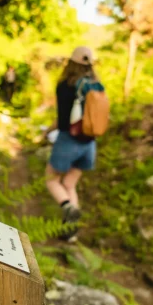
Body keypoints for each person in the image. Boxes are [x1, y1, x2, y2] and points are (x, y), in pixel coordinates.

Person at [44, 46, 104, 240]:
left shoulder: (65, 86)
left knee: (52, 180)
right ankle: (71, 232)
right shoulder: (96, 84)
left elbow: (62, 119)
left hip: (69, 140)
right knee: (69, 184)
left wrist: (47, 131)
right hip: (89, 143)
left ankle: (68, 207)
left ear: (71, 62)